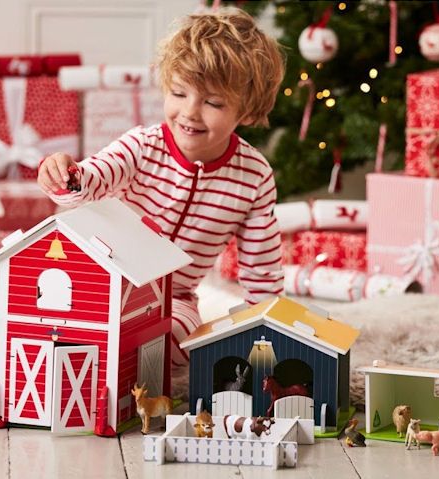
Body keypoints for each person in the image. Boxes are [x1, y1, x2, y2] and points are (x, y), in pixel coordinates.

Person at [38, 8, 285, 375]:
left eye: (213, 102)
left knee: (181, 346)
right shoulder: (143, 145)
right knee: (59, 318)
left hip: (174, 298)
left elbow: (262, 269)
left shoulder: (254, 177)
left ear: (247, 111)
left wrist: (270, 333)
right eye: (179, 93)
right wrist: (65, 175)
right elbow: (93, 176)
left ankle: (118, 362)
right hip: (105, 279)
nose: (190, 112)